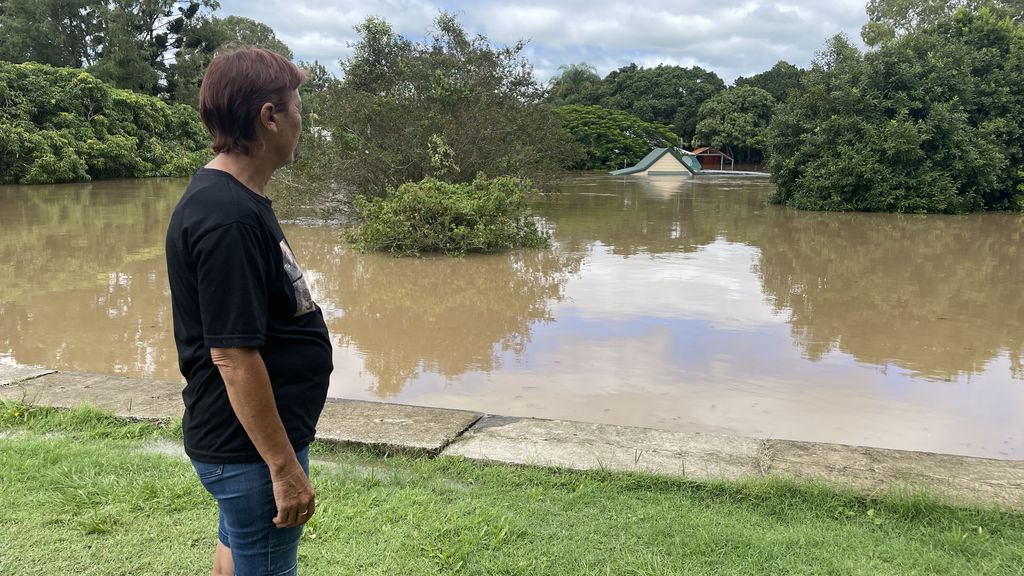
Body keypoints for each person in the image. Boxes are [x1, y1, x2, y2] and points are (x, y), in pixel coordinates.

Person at [165, 47, 333, 576]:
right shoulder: (227, 220)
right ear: (269, 117)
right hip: (251, 452)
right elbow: (234, 356)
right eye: (298, 108)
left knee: (236, 555)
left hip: (244, 447)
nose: (302, 122)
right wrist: (282, 467)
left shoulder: (233, 199)